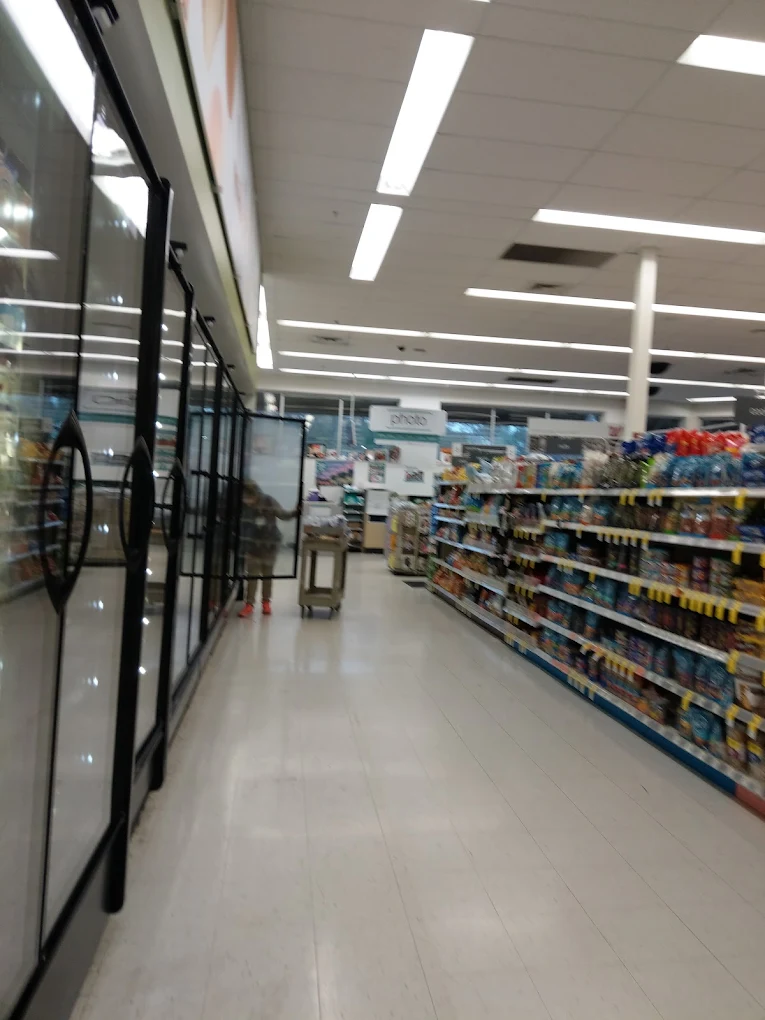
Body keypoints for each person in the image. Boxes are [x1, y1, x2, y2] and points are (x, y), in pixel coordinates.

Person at [238, 481, 298, 618]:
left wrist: (296, 512)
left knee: (267, 576)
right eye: (244, 498)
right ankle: (249, 604)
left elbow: (283, 515)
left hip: (269, 545)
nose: (247, 501)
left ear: (255, 494)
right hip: (252, 546)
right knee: (252, 577)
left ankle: (266, 603)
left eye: (248, 498)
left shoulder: (269, 501)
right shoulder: (244, 506)